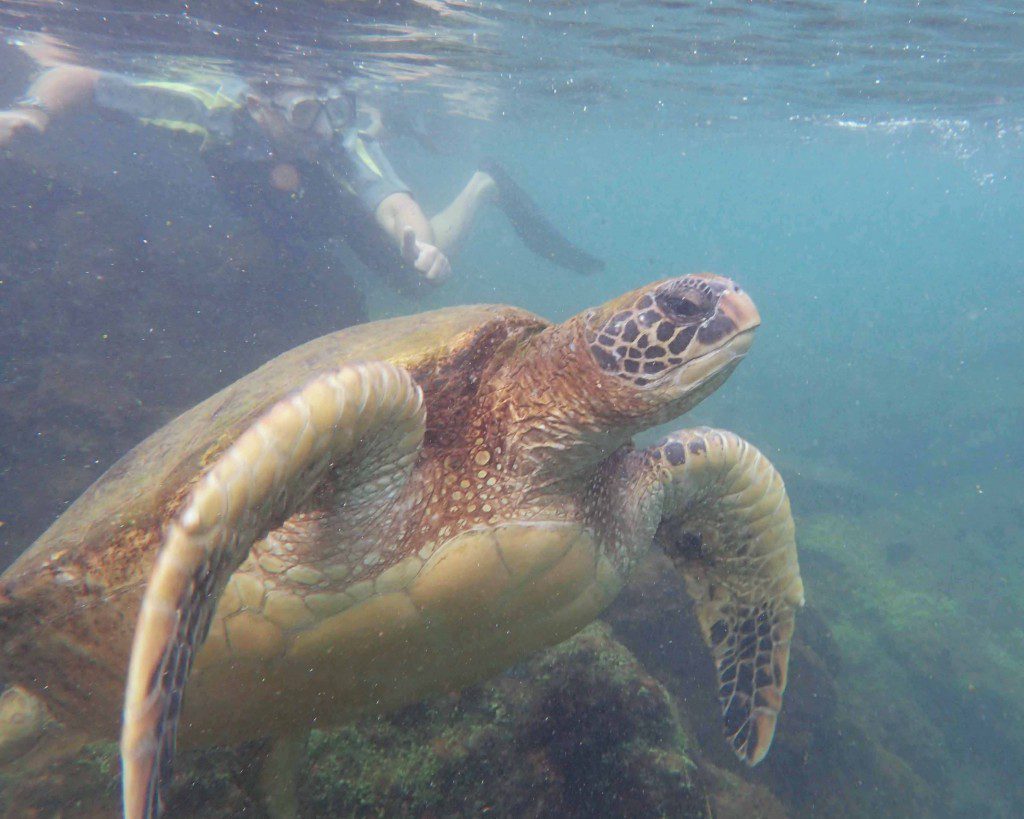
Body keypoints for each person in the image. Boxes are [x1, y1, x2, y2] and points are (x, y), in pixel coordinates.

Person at [0, 61, 604, 304]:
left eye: (321, 108)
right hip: (268, 199)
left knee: (414, 280)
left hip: (327, 204)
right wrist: (33, 112)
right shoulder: (211, 107)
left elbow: (392, 200)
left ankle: (481, 185)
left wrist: (417, 243)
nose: (314, 125)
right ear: (258, 103)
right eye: (299, 112)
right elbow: (79, 76)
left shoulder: (337, 137)